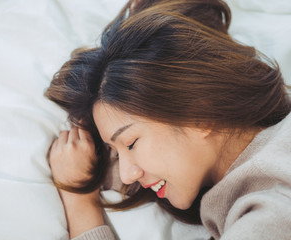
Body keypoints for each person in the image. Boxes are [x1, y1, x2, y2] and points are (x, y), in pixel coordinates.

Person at [45, 0, 291, 239]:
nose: (127, 175)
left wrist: (79, 202)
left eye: (131, 143)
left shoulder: (272, 214)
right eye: (117, 153)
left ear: (199, 114)